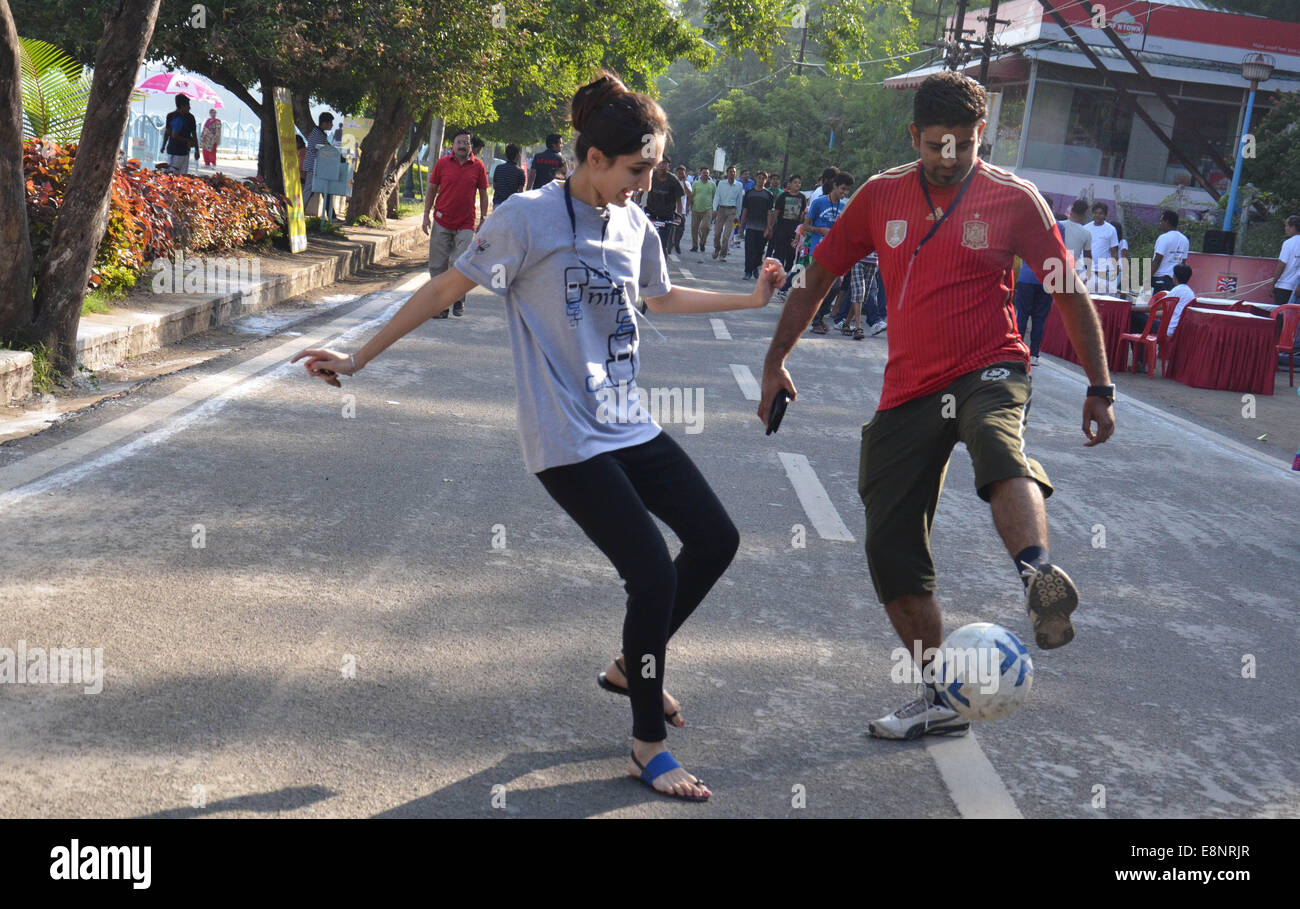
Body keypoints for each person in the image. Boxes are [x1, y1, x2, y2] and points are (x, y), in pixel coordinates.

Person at [294, 71, 787, 802]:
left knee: (716, 538)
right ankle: (646, 741)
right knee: (651, 572)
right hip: (565, 435)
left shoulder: (634, 223)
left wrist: (747, 299)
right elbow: (441, 289)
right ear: (593, 157)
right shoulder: (528, 219)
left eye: (650, 170)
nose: (646, 184)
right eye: (636, 170)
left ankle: (630, 662)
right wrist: (358, 355)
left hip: (626, 420)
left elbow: (658, 296)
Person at [758, 70, 1115, 740]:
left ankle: (1038, 576)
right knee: (889, 544)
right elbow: (815, 280)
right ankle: (940, 694)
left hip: (992, 367)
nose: (949, 158)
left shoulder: (1017, 200)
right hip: (910, 388)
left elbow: (1068, 291)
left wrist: (1099, 385)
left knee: (995, 441)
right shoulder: (879, 196)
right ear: (913, 135)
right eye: (935, 145)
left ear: (983, 134)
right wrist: (776, 361)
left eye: (964, 144)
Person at [423, 128, 488, 318]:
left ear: (471, 146)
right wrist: (426, 215)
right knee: (438, 265)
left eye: (466, 143)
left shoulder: (478, 166)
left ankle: (458, 298)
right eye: (459, 142)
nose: (463, 146)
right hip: (442, 220)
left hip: (466, 223)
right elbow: (432, 189)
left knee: (461, 263)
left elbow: (483, 193)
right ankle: (440, 306)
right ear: (452, 145)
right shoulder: (442, 164)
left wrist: (483, 218)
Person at [1015, 218, 1070, 363]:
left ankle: (1017, 351)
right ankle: (1034, 355)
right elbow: (1060, 252)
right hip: (1047, 279)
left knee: (1022, 316)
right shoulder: (1059, 226)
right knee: (1040, 318)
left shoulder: (1028, 222)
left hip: (1026, 277)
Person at [805, 172, 854, 334]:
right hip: (818, 251)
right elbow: (806, 226)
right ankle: (816, 321)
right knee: (821, 287)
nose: (844, 193)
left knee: (834, 288)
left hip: (835, 253)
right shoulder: (819, 203)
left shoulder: (844, 207)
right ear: (835, 186)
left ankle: (817, 317)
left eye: (847, 191)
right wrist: (820, 230)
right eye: (843, 189)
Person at [765, 175, 807, 273]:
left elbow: (803, 213)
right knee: (779, 253)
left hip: (795, 231)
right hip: (781, 229)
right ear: (790, 184)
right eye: (795, 182)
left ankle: (787, 273)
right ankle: (778, 273)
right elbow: (776, 212)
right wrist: (771, 226)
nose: (797, 184)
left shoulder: (802, 197)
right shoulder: (783, 196)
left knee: (791, 254)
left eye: (799, 183)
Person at [644, 159, 685, 254]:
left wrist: (679, 216)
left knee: (663, 244)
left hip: (666, 216)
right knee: (646, 240)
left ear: (669, 166)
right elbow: (640, 193)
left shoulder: (673, 180)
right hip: (651, 213)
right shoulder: (650, 176)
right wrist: (638, 207)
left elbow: (679, 201)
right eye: (659, 163)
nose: (662, 166)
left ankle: (663, 263)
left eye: (664, 164)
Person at [741, 176, 774, 279]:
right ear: (755, 179)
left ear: (766, 180)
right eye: (759, 178)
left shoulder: (768, 195)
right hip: (750, 226)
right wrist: (741, 225)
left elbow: (769, 212)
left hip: (762, 227)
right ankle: (748, 271)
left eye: (763, 178)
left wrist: (769, 227)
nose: (761, 180)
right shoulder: (749, 193)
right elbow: (745, 210)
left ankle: (755, 267)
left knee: (759, 250)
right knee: (749, 249)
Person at [303, 112, 334, 219]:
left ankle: (332, 215)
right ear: (324, 123)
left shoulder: (321, 134)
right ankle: (300, 211)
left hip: (319, 167)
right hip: (313, 166)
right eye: (331, 123)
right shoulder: (317, 134)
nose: (332, 125)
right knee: (308, 189)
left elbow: (327, 147)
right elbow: (320, 149)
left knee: (323, 190)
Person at [1151, 210, 1189, 295]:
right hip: (1175, 281)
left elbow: (1157, 260)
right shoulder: (1185, 240)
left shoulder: (1164, 238)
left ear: (1166, 221)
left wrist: (1146, 279)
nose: (1160, 223)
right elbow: (1183, 263)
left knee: (1155, 306)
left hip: (1160, 279)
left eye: (1161, 221)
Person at [1084, 201, 1119, 294]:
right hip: (1087, 268)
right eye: (1095, 213)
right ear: (1092, 214)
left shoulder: (1111, 229)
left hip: (1103, 269)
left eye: (1100, 213)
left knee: (1101, 295)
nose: (1098, 215)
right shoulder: (1086, 228)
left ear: (1105, 215)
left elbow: (1114, 252)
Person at [160, 94, 198, 175]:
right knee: (173, 173)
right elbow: (169, 133)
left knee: (179, 173)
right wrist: (163, 145)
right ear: (182, 106)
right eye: (188, 105)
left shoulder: (190, 117)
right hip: (176, 150)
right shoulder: (173, 116)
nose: (189, 107)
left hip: (183, 150)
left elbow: (194, 134)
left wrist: (197, 150)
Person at [711, 166, 744, 261]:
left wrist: (738, 215)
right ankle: (717, 248)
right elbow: (717, 196)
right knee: (717, 233)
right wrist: (714, 209)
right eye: (730, 172)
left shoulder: (739, 185)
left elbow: (739, 201)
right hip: (721, 209)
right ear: (727, 173)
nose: (732, 173)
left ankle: (723, 254)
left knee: (727, 235)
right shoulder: (721, 183)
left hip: (732, 211)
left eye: (734, 172)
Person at [1269, 214, 1300, 306]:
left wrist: (1273, 283)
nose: (1285, 228)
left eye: (1287, 226)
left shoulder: (1288, 243)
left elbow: (1282, 265)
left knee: (1282, 316)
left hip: (1284, 286)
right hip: (1297, 286)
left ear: (1293, 227)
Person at [493, 143, 527, 209]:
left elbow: (495, 186)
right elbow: (520, 192)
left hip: (498, 204)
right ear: (517, 155)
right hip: (511, 205)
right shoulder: (520, 172)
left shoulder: (499, 168)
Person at [689, 167, 714, 252]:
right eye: (704, 173)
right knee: (694, 228)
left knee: (705, 227)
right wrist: (689, 206)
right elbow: (691, 195)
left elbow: (714, 196)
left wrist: (715, 209)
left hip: (708, 209)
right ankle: (695, 246)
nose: (705, 174)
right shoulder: (695, 183)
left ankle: (702, 243)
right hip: (696, 208)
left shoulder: (712, 184)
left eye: (707, 173)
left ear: (709, 174)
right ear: (700, 174)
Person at [672, 164, 692, 254]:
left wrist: (684, 183)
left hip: (682, 210)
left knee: (681, 228)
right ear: (676, 173)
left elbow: (690, 195)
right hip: (672, 209)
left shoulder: (687, 183)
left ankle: (677, 243)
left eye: (682, 173)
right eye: (679, 173)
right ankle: (670, 244)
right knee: (671, 228)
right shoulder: (672, 182)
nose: (680, 174)